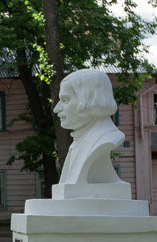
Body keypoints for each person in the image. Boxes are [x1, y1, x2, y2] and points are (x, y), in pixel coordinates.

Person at [52, 69, 130, 199]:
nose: (56, 109)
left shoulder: (104, 139)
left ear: (90, 100)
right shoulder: (78, 142)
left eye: (65, 100)